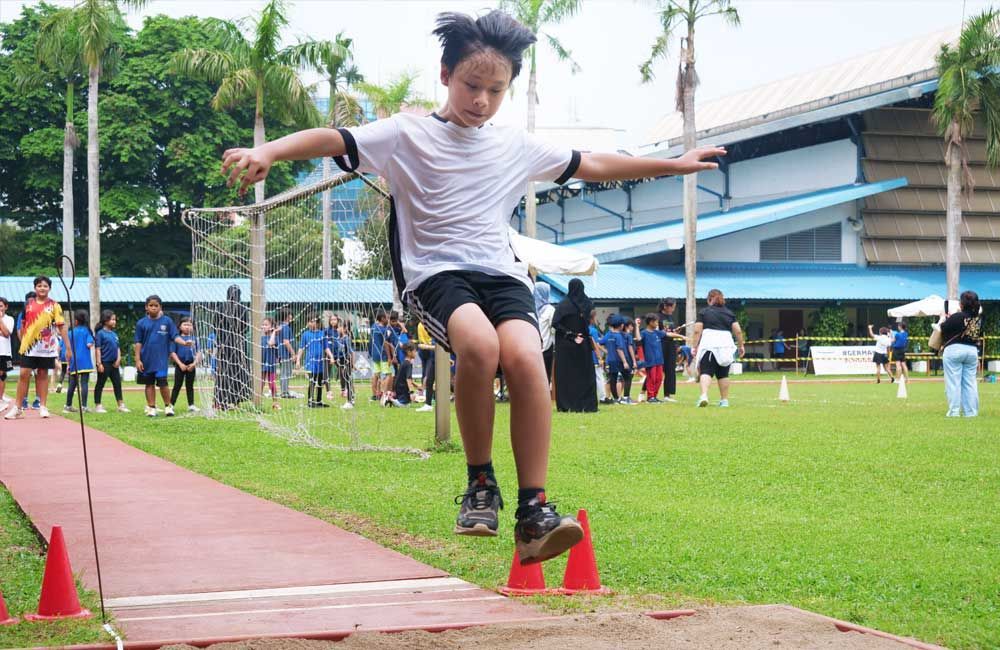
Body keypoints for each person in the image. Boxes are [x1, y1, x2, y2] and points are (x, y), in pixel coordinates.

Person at [219, 8, 723, 564]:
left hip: (501, 273)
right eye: (470, 85)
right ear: (445, 75)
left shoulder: (514, 145)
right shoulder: (405, 132)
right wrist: (267, 152)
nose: (481, 100)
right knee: (480, 348)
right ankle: (480, 485)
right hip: (435, 274)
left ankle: (534, 511)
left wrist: (674, 166)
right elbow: (331, 136)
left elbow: (595, 164)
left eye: (495, 90)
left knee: (529, 361)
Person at [4, 276, 71, 420]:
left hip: (46, 347)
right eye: (39, 285)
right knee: (23, 374)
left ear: (49, 288)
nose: (42, 288)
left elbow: (61, 326)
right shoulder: (27, 305)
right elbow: (22, 325)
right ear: (35, 288)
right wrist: (23, 341)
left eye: (45, 286)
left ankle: (43, 406)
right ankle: (18, 407)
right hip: (29, 347)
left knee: (42, 374)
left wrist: (68, 347)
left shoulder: (54, 305)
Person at [135, 295, 191, 417]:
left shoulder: (167, 321)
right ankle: (151, 407)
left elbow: (175, 336)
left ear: (161, 307)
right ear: (146, 307)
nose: (153, 308)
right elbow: (138, 342)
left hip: (161, 360)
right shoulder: (141, 323)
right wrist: (138, 359)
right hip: (146, 359)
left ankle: (168, 406)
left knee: (163, 383)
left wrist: (184, 342)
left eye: (156, 305)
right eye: (151, 305)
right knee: (149, 384)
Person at [692, 289, 744, 407]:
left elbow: (697, 331)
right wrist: (741, 346)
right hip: (726, 345)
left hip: (709, 344)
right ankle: (724, 400)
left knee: (706, 371)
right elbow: (738, 331)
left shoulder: (704, 312)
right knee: (723, 374)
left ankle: (704, 395)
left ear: (709, 299)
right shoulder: (729, 313)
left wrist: (694, 346)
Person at [553, 279, 599, 414]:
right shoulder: (587, 303)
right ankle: (587, 404)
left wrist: (570, 335)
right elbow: (588, 323)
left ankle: (567, 404)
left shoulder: (563, 305)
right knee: (585, 375)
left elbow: (555, 323)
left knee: (567, 375)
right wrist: (576, 335)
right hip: (582, 343)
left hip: (567, 345)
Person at [939, 291, 982, 417]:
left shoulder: (956, 316)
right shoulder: (978, 319)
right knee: (970, 383)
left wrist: (943, 318)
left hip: (954, 350)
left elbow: (943, 328)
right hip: (972, 351)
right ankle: (971, 412)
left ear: (962, 304)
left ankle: (954, 411)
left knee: (953, 383)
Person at [214, 285, 253, 408]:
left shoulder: (220, 308)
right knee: (238, 371)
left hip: (224, 343)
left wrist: (221, 339)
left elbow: (216, 326)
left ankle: (221, 400)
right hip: (238, 343)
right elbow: (245, 327)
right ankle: (236, 400)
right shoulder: (243, 309)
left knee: (223, 371)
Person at [93, 310, 129, 413]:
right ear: (105, 320)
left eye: (115, 320)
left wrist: (118, 359)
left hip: (114, 364)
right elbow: (98, 349)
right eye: (112, 319)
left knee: (117, 383)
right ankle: (98, 405)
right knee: (100, 384)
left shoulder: (114, 334)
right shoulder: (100, 334)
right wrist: (99, 363)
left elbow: (118, 348)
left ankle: (121, 405)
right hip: (104, 363)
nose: (114, 322)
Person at [296, 315, 334, 408]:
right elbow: (301, 348)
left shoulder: (322, 333)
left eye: (312, 321)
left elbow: (326, 348)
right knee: (312, 381)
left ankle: (319, 401)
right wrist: (298, 360)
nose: (310, 323)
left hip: (320, 362)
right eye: (309, 321)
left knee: (320, 381)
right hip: (310, 362)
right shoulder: (305, 334)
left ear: (317, 323)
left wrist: (331, 356)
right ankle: (310, 401)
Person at [64, 309, 95, 413]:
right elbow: (89, 344)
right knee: (84, 383)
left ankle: (68, 405)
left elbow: (66, 350)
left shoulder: (70, 332)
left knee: (72, 384)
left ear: (76, 321)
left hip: (73, 361)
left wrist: (68, 364)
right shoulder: (87, 331)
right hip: (85, 361)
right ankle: (84, 406)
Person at [170, 317, 201, 412]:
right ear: (179, 326)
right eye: (185, 324)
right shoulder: (177, 339)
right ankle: (171, 405)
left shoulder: (195, 339)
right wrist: (180, 364)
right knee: (177, 385)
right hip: (180, 365)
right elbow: (172, 353)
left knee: (190, 385)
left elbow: (199, 353)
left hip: (191, 365)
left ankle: (191, 405)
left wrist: (194, 364)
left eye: (190, 325)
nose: (187, 327)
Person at [657, 299, 684, 403]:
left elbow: (670, 331)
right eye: (672, 306)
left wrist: (675, 332)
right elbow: (658, 332)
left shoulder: (670, 317)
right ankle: (645, 392)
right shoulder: (658, 317)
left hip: (670, 345)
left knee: (670, 370)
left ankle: (667, 395)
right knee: (657, 370)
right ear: (665, 306)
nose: (673, 309)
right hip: (660, 345)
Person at [638, 314, 668, 403]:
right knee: (651, 379)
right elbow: (639, 339)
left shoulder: (657, 332)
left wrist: (681, 336)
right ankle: (650, 397)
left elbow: (667, 334)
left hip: (659, 361)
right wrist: (637, 326)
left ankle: (654, 396)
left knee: (659, 378)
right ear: (650, 322)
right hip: (650, 361)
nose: (657, 324)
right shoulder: (644, 333)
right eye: (656, 322)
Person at [533, 282, 556, 384]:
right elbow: (554, 328)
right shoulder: (550, 310)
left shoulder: (531, 308)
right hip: (546, 347)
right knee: (545, 377)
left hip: (533, 346)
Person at [369, 310, 391, 403]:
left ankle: (374, 395)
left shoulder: (373, 327)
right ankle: (384, 395)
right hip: (382, 354)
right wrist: (389, 357)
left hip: (374, 354)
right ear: (382, 318)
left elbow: (371, 341)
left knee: (376, 374)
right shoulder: (383, 329)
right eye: (387, 318)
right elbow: (385, 344)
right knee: (388, 374)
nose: (388, 320)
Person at [589, 311, 610, 404]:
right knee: (599, 377)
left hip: (585, 359)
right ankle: (603, 397)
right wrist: (599, 357)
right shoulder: (593, 330)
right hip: (594, 357)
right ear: (591, 319)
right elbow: (596, 344)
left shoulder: (583, 329)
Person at [260, 317, 281, 410]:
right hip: (261, 363)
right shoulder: (261, 338)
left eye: (266, 324)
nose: (264, 326)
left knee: (272, 384)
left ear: (272, 327)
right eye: (263, 324)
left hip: (271, 364)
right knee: (260, 383)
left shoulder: (275, 337)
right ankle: (258, 402)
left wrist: (274, 332)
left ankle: (275, 402)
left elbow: (271, 343)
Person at [335, 319, 355, 410]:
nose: (337, 329)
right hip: (341, 361)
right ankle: (350, 399)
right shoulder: (339, 338)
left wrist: (352, 363)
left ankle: (350, 401)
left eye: (339, 327)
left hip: (347, 361)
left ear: (345, 328)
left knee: (348, 380)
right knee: (344, 379)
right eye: (337, 327)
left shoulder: (347, 338)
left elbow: (351, 352)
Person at [276, 309, 296, 398]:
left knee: (284, 373)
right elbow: (286, 342)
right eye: (290, 314)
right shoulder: (286, 327)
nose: (291, 316)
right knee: (286, 373)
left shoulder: (280, 326)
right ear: (287, 316)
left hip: (281, 354)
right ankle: (284, 392)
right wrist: (293, 353)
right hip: (285, 354)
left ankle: (285, 391)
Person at [392, 343, 417, 407]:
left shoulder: (404, 363)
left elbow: (407, 379)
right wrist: (411, 392)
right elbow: (408, 379)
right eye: (414, 351)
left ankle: (394, 399)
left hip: (398, 388)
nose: (416, 353)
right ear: (409, 352)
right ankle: (395, 401)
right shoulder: (408, 364)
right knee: (406, 405)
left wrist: (417, 386)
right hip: (403, 389)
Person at [0, 297, 13, 413]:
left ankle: (0, 399)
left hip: (4, 352)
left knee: (2, 375)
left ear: (5, 307)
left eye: (1, 306)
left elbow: (6, 333)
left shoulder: (9, 319)